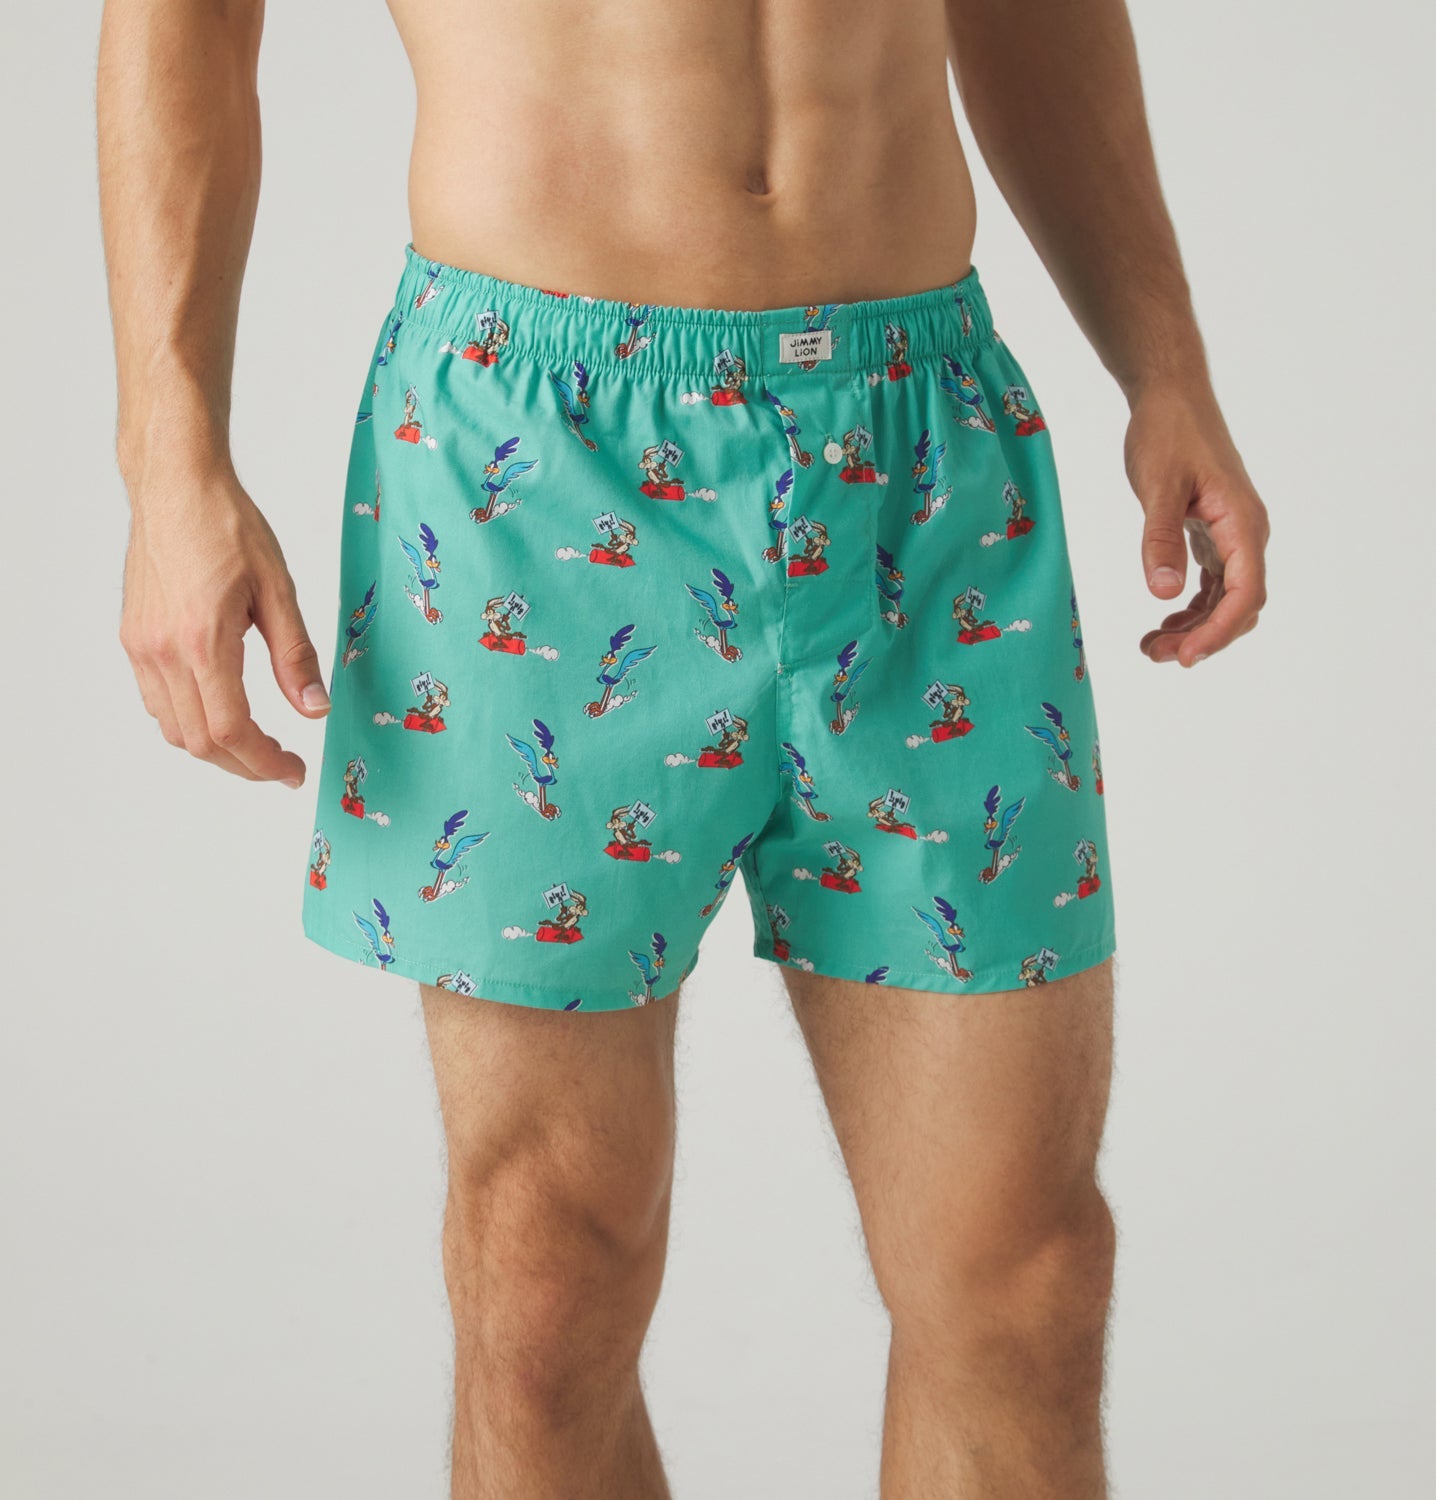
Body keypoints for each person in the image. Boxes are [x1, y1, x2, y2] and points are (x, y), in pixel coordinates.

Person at [97, 2, 1270, 1494]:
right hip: (531, 460)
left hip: (919, 450)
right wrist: (168, 457)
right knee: (544, 1282)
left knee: (1026, 1287)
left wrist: (1165, 362)